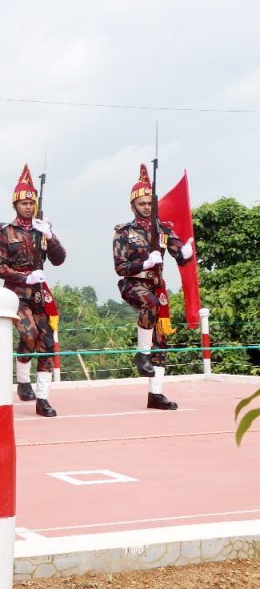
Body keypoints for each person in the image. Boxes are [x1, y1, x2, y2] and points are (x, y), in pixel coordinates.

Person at [113, 164, 193, 410]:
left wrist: (186, 252)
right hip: (132, 284)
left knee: (162, 339)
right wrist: (144, 263)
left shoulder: (163, 229)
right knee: (148, 303)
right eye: (142, 203)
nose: (147, 207)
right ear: (133, 206)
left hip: (157, 287)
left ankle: (155, 394)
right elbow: (120, 266)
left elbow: (180, 255)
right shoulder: (124, 233)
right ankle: (141, 353)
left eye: (150, 203)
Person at [0, 164, 66, 417]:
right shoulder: (5, 232)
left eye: (31, 202)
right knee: (28, 333)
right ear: (15, 205)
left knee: (46, 340)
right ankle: (23, 380)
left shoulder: (41, 231)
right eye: (23, 202)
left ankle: (42, 397)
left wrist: (51, 235)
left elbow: (59, 259)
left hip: (38, 292)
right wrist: (25, 276)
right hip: (16, 292)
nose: (28, 206)